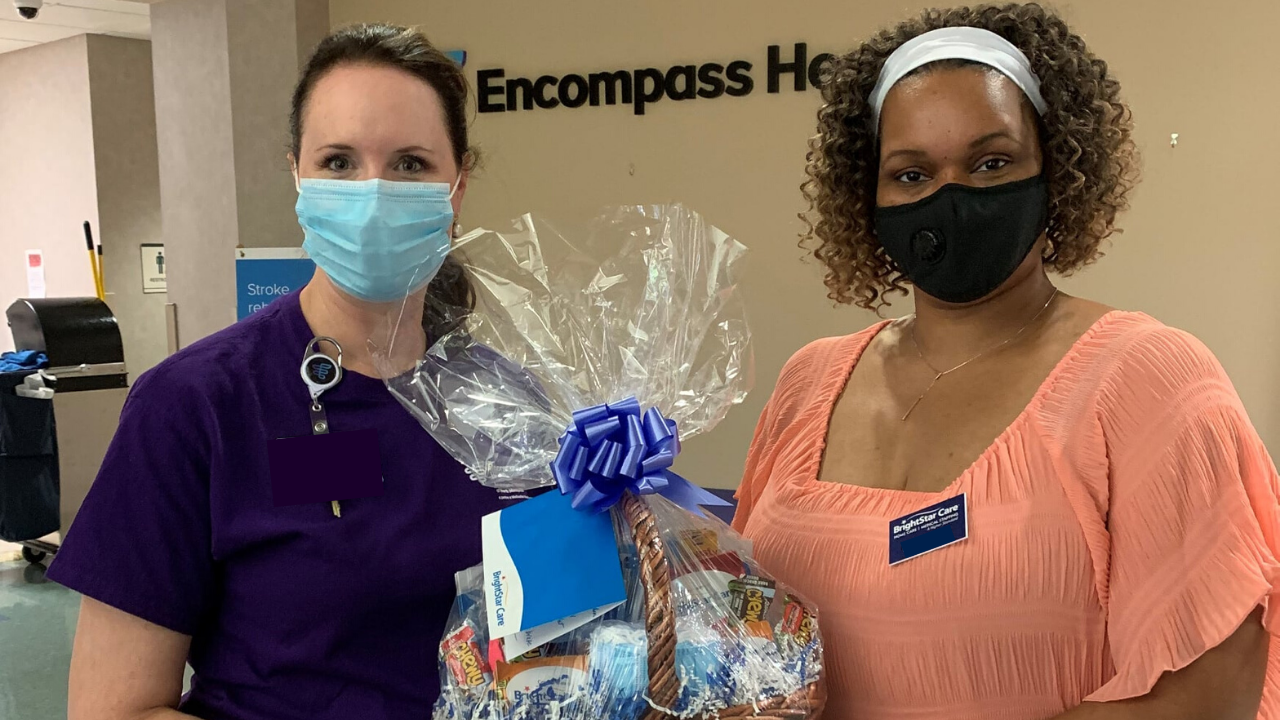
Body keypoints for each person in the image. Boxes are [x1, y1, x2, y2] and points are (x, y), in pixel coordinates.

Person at [733, 4, 1280, 719]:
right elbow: (737, 622)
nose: (950, 197)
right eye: (911, 173)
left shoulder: (1148, 380)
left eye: (992, 162)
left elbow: (1208, 695)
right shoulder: (809, 382)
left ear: (1057, 170)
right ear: (867, 196)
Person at [48, 24, 509, 720]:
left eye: (411, 164)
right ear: (297, 175)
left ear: (458, 185)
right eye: (339, 162)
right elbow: (112, 710)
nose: (373, 193)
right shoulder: (194, 408)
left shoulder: (505, 406)